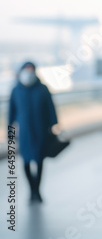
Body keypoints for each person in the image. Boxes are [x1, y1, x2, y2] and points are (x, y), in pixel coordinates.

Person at [8, 62, 58, 203]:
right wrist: (10, 132)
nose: (29, 73)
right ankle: (32, 190)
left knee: (39, 160)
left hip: (41, 130)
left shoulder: (42, 89)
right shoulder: (16, 90)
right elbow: (11, 112)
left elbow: (50, 108)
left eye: (31, 70)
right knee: (26, 162)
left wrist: (53, 126)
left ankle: (37, 190)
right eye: (26, 70)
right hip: (24, 133)